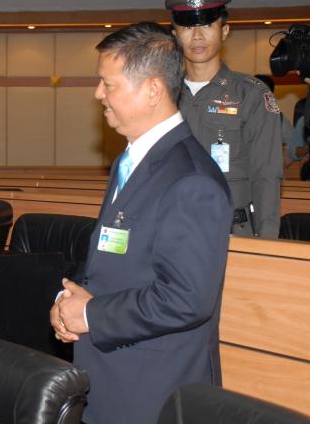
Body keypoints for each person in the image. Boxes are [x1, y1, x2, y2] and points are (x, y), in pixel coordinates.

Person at [51, 23, 232, 424]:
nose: (98, 94)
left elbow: (186, 298)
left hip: (152, 390)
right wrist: (68, 303)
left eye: (108, 84)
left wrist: (91, 315)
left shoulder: (191, 180)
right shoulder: (131, 160)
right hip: (112, 376)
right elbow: (110, 259)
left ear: (152, 90)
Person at [166, 0, 282, 237]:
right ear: (175, 35)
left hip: (231, 232)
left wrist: (266, 246)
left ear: (225, 31)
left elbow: (266, 177)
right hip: (174, 231)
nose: (197, 36)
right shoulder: (161, 94)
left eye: (207, 25)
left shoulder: (251, 95)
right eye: (187, 27)